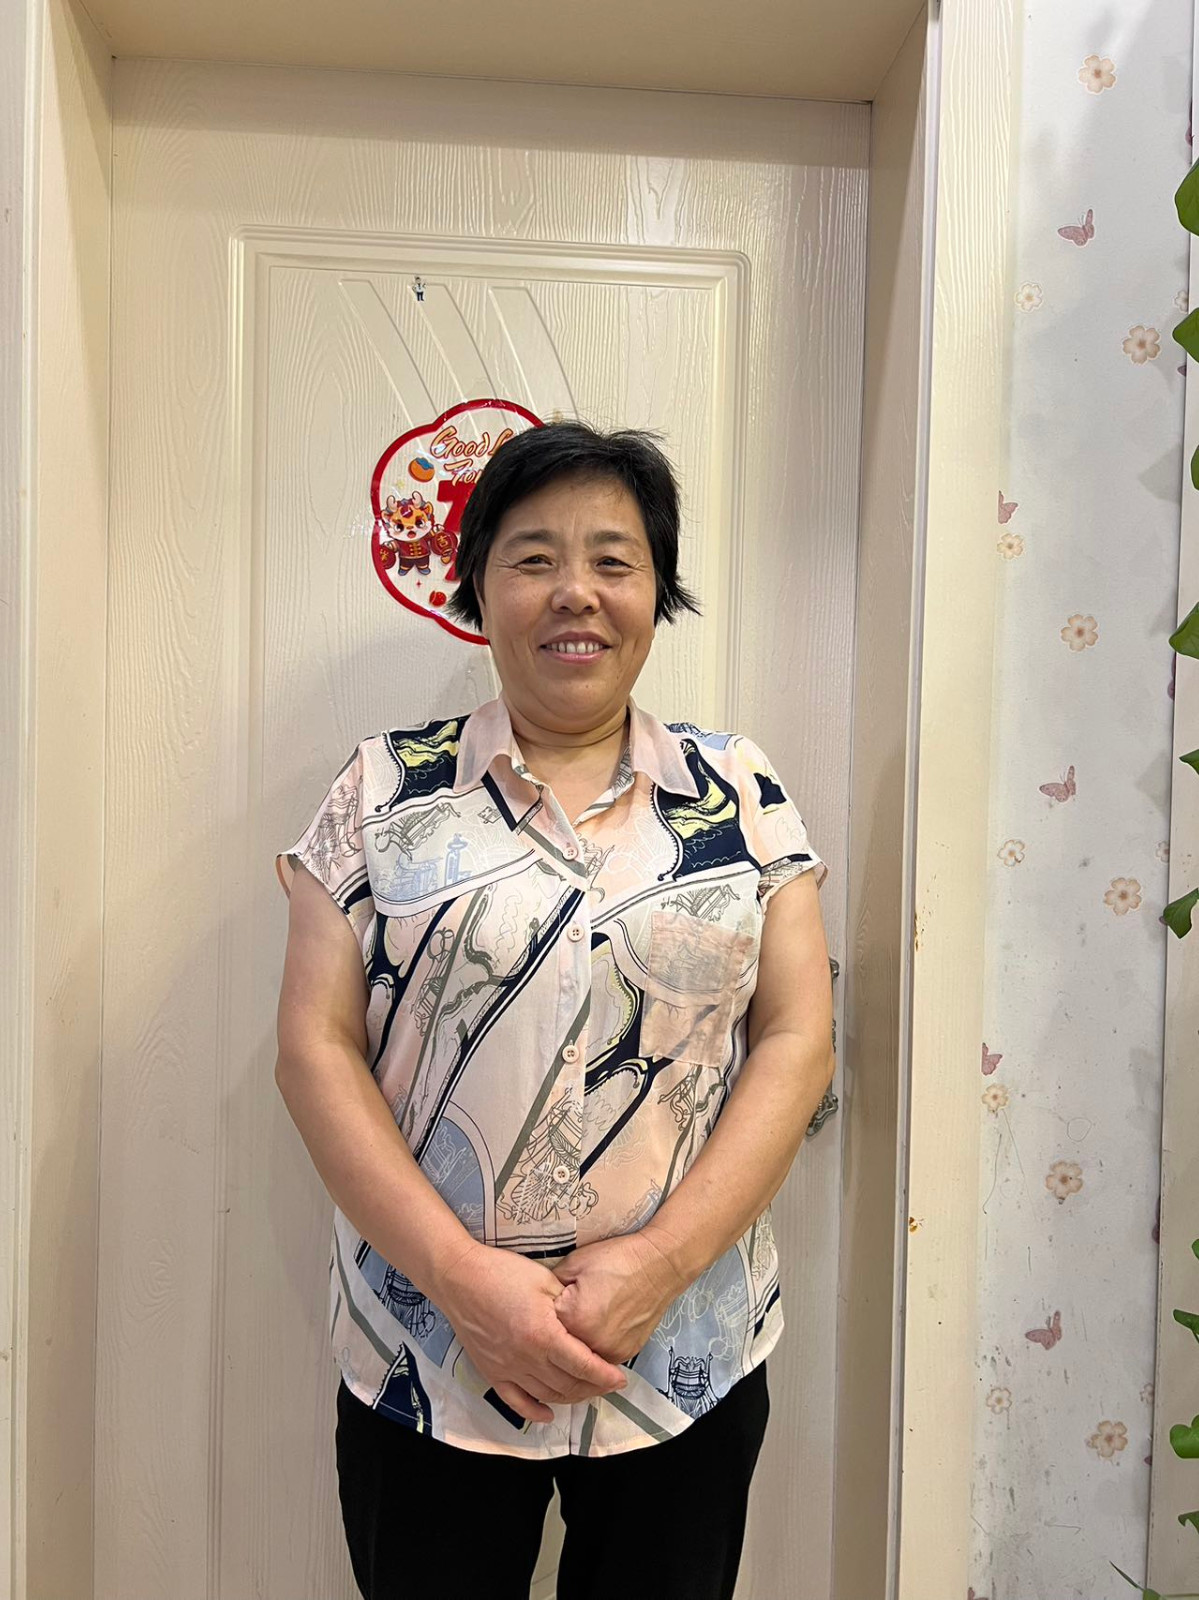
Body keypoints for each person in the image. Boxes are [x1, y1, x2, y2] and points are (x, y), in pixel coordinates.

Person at [273, 421, 835, 1600]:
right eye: (532, 557)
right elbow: (314, 1048)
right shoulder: (382, 787)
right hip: (428, 1354)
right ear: (477, 588)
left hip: (678, 1357)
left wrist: (656, 1264)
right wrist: (460, 1281)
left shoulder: (737, 789)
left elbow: (795, 1036)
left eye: (612, 559)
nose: (574, 591)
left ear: (655, 590)